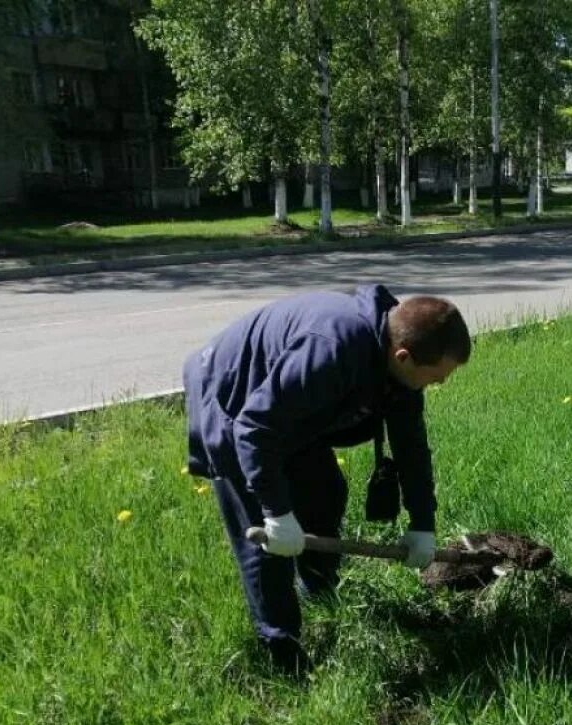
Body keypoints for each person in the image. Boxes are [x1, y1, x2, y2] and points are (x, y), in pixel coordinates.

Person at [183, 285, 471, 675]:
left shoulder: (398, 364)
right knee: (267, 549)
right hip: (234, 400)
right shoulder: (331, 349)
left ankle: (319, 594)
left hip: (288, 409)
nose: (440, 385)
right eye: (436, 378)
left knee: (325, 492)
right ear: (403, 356)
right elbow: (253, 429)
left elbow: (411, 447)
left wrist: (423, 523)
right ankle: (283, 653)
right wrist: (276, 511)